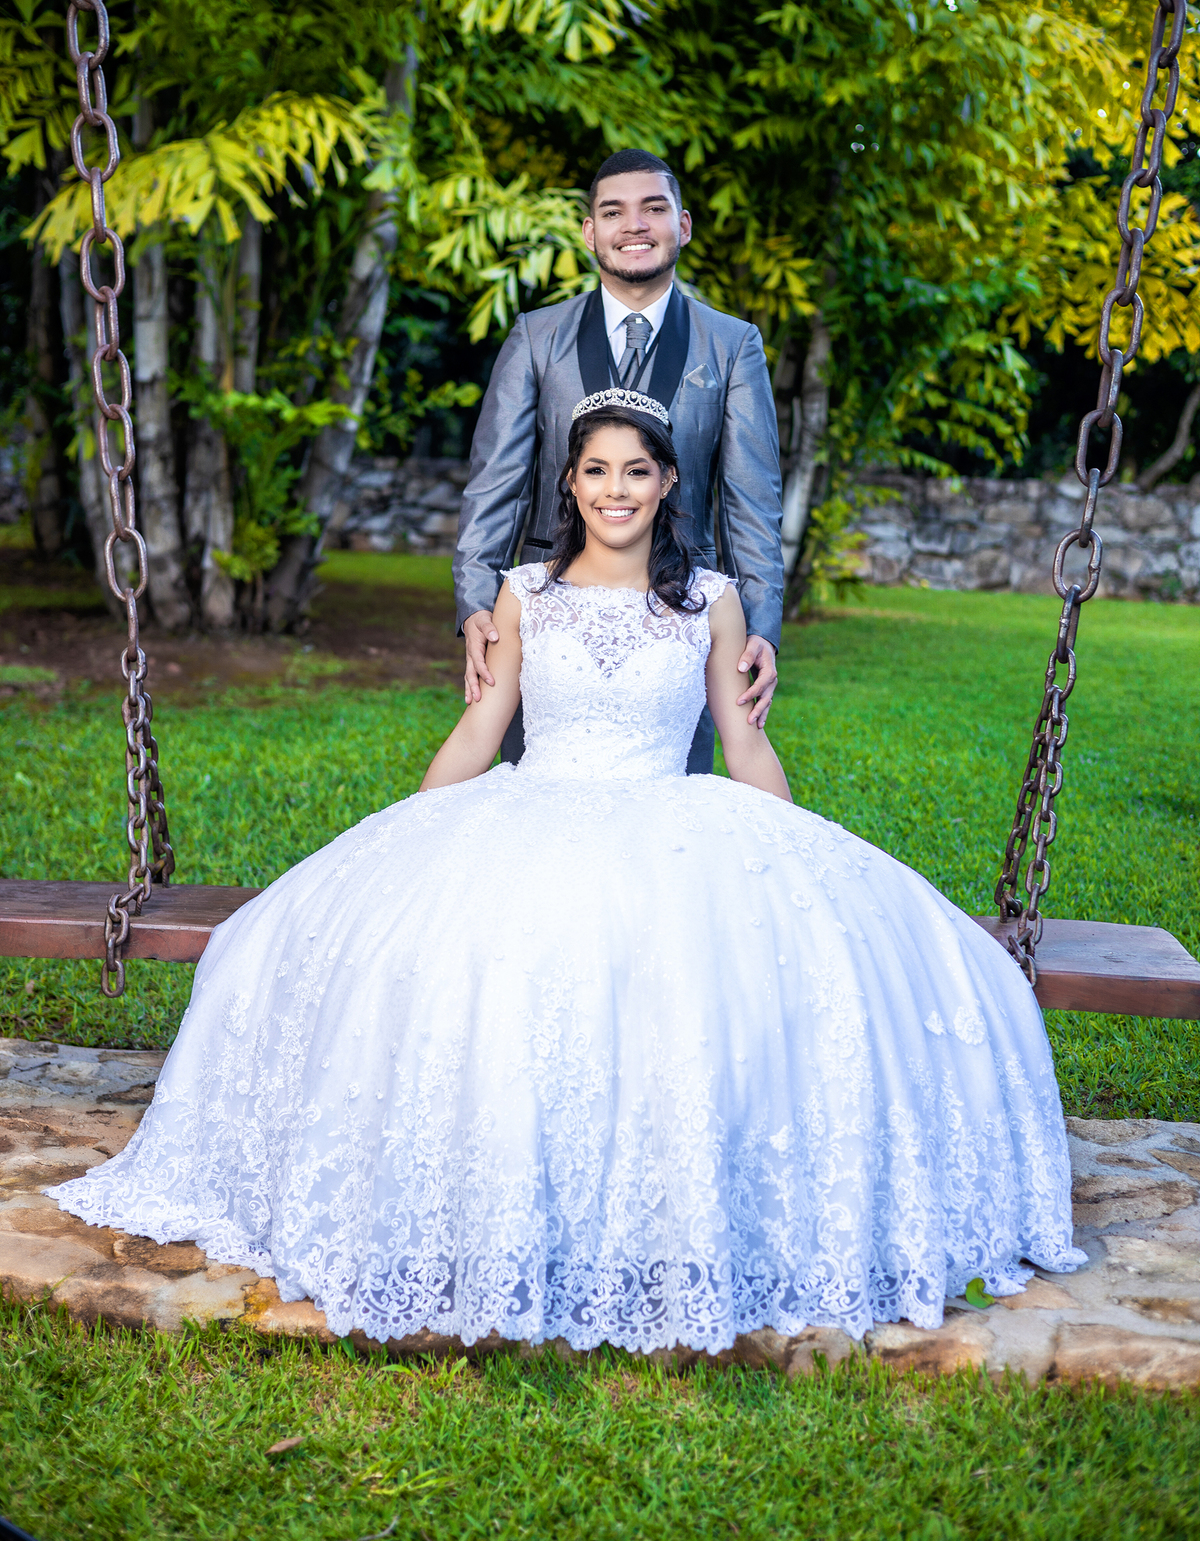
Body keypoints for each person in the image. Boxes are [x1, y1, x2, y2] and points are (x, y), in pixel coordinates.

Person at [48, 389, 1084, 1355]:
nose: (615, 490)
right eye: (596, 471)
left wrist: (801, 863)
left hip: (669, 817)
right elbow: (482, 728)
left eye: (637, 471)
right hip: (533, 801)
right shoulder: (524, 593)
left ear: (667, 482)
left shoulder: (713, 601)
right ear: (571, 483)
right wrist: (407, 835)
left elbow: (743, 742)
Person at [454, 147, 784, 775]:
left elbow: (752, 502)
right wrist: (475, 602)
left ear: (682, 225)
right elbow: (495, 487)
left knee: (671, 794)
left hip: (676, 616)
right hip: (555, 614)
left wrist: (761, 624)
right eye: (613, 212)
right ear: (590, 232)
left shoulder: (732, 344)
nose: (634, 225)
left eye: (653, 209)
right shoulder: (536, 338)